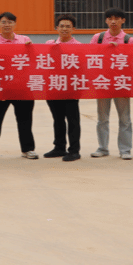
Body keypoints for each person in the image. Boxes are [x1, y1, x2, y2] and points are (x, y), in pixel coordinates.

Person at [0, 12, 38, 160]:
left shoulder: (25, 40)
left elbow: (34, 60)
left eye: (10, 22)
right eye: (4, 22)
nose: (7, 25)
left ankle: (28, 149)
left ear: (15, 24)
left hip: (22, 87)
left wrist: (31, 49)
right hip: (1, 88)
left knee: (25, 120)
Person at [90, 7, 133, 160]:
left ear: (123, 20)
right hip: (102, 82)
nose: (113, 21)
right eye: (110, 18)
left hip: (121, 83)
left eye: (117, 18)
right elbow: (89, 57)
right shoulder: (98, 38)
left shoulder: (128, 40)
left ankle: (125, 150)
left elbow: (132, 62)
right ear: (106, 21)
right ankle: (102, 148)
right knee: (102, 118)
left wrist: (118, 52)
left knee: (125, 119)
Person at [43, 14, 83, 162]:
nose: (64, 29)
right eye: (62, 26)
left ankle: (74, 150)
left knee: (72, 120)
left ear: (73, 29)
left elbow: (82, 67)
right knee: (57, 119)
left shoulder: (78, 46)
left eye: (68, 26)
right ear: (56, 28)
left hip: (71, 88)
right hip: (53, 86)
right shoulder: (49, 43)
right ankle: (59, 147)